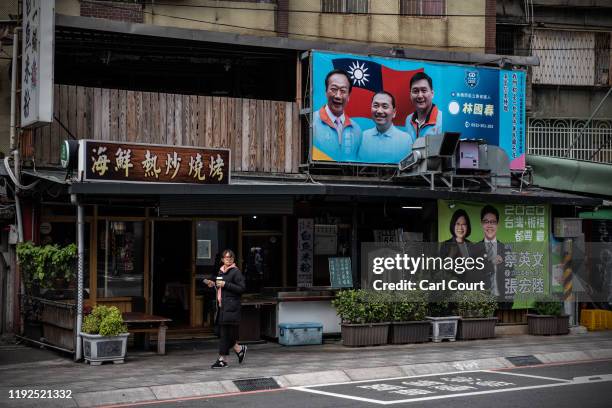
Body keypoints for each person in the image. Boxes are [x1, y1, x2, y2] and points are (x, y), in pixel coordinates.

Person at [203, 249, 247, 369]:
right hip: (222, 307)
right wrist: (212, 283)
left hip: (231, 308)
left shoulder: (236, 272)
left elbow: (242, 288)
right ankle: (238, 349)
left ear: (233, 259)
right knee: (221, 333)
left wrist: (226, 285)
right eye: (226, 258)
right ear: (222, 260)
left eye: (231, 258)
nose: (228, 260)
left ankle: (223, 360)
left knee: (224, 334)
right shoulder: (221, 271)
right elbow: (218, 284)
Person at [312, 69, 362, 162]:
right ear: (326, 91)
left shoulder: (356, 129)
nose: (338, 96)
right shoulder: (311, 122)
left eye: (343, 91)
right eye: (334, 89)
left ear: (349, 96)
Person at [357, 91, 413, 164]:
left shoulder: (406, 140)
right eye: (376, 106)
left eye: (385, 106)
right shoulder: (362, 137)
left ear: (394, 112)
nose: (379, 111)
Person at [473, 205, 505, 297]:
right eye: (486, 222)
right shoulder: (474, 249)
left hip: (502, 301)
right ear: (481, 224)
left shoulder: (505, 249)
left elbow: (511, 276)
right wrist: (491, 264)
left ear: (498, 225)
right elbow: (472, 276)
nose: (489, 225)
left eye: (493, 222)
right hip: (482, 300)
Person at [405, 72, 443, 142]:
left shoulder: (443, 120)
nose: (420, 96)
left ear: (432, 94)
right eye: (415, 91)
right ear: (410, 94)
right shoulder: (408, 120)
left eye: (424, 90)